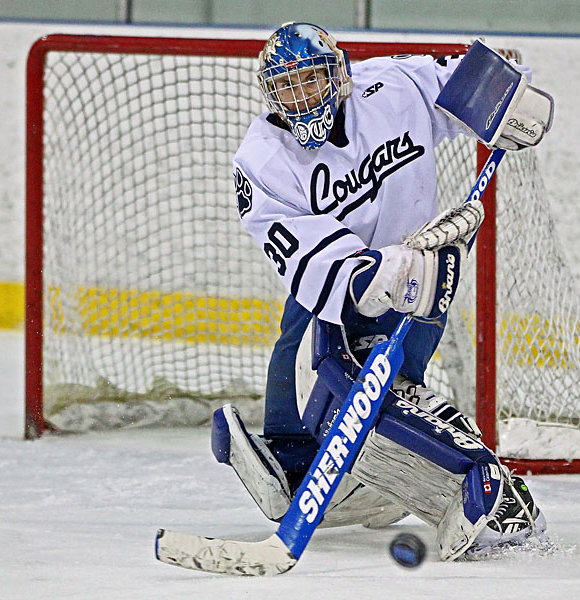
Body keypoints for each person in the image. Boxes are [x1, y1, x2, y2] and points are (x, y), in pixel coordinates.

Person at [216, 22, 552, 560]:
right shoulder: (262, 158)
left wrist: (509, 100)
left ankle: (426, 483)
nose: (302, 97)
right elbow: (296, 247)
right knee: (307, 368)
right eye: (288, 87)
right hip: (336, 291)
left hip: (424, 270)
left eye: (312, 80)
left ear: (340, 74)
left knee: (393, 389)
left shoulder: (394, 86)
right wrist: (366, 273)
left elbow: (474, 83)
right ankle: (298, 460)